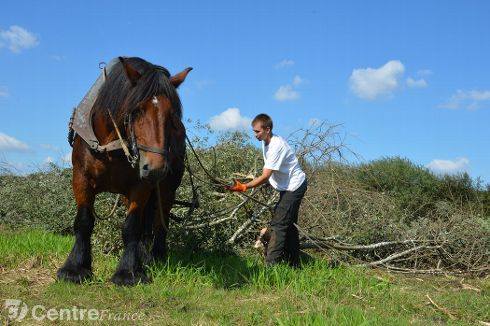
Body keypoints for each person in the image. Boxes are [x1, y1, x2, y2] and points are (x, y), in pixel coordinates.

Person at [226, 113, 307, 267]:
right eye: (254, 131)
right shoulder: (266, 142)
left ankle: (271, 267)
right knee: (289, 226)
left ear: (267, 129)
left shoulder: (277, 146)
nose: (255, 135)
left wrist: (244, 186)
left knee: (278, 224)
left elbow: (265, 176)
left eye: (257, 131)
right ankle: (294, 265)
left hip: (295, 186)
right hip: (287, 187)